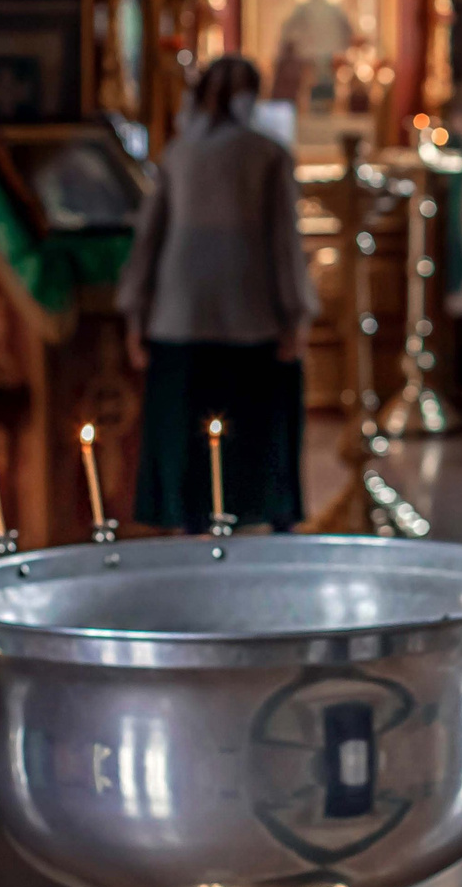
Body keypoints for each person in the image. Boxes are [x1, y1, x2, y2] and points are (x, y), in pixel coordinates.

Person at [121, 55, 317, 532]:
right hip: (253, 322)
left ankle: (191, 521)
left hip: (180, 320)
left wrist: (136, 314)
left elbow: (148, 239)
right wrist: (296, 316)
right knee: (254, 438)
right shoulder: (268, 153)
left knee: (187, 440)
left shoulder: (178, 152)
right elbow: (284, 243)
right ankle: (265, 515)